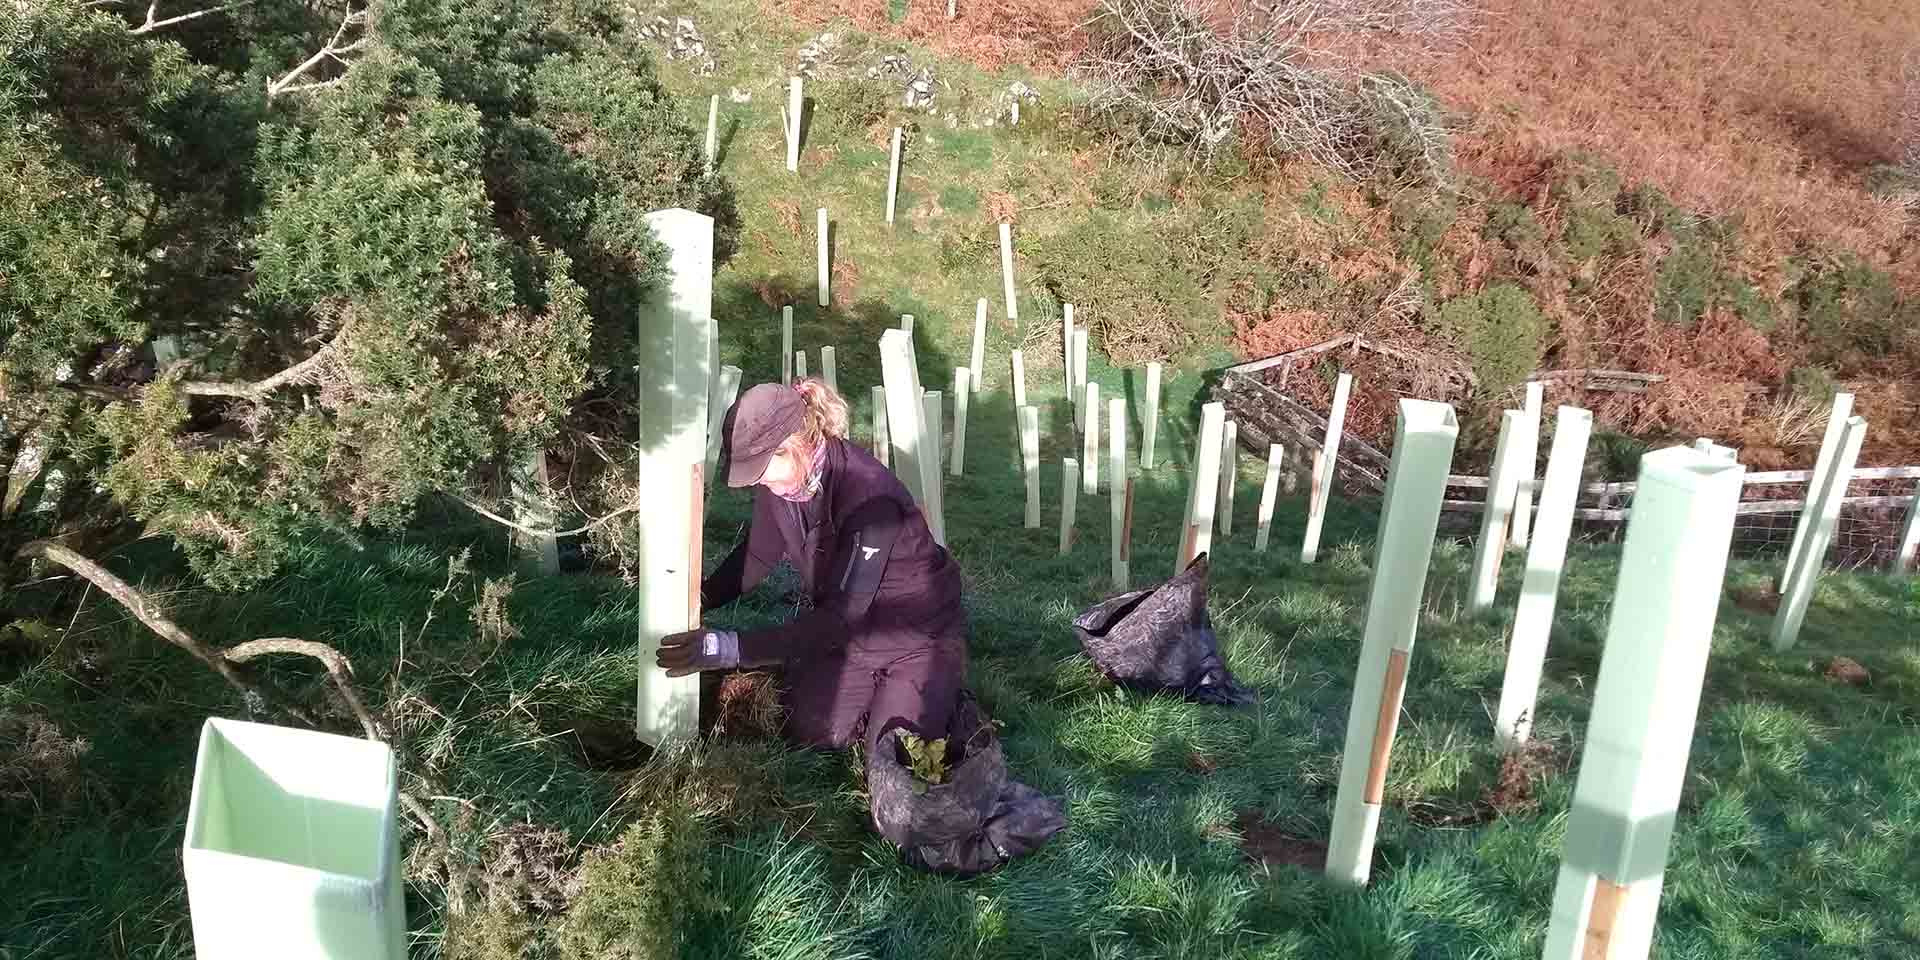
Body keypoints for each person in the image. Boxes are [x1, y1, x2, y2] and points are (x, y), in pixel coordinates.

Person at [654, 379, 968, 754]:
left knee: (895, 750)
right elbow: (757, 554)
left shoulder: (870, 499)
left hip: (916, 634)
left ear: (794, 448)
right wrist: (699, 597)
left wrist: (728, 647)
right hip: (852, 635)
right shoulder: (784, 484)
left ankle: (936, 681)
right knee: (813, 730)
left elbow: (839, 618)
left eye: (761, 468)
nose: (760, 482)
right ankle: (877, 690)